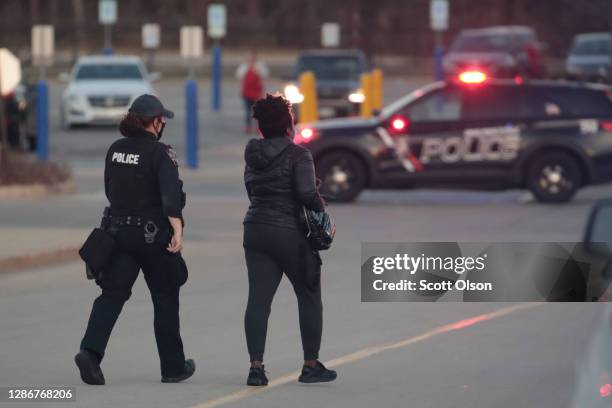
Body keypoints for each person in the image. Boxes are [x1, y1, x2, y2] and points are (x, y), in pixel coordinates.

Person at [75, 94, 195, 385]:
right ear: (154, 122)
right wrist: (177, 232)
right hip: (154, 237)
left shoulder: (115, 149)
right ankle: (173, 367)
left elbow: (109, 188)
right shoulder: (160, 153)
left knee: (112, 295)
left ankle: (90, 353)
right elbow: (170, 198)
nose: (163, 123)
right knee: (165, 298)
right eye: (161, 118)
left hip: (118, 234)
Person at [242, 93, 337, 386]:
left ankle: (256, 368)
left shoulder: (253, 153)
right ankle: (311, 365)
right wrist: (323, 211)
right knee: (308, 295)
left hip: (255, 228)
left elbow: (251, 189)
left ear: (261, 127)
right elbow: (307, 194)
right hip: (289, 233)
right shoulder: (299, 155)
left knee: (258, 300)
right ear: (288, 125)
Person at [236, 51, 268, 134]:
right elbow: (239, 75)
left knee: (257, 111)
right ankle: (248, 127)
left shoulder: (260, 66)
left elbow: (265, 75)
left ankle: (258, 127)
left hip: (257, 93)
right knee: (247, 111)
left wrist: (257, 71)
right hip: (246, 93)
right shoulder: (244, 67)